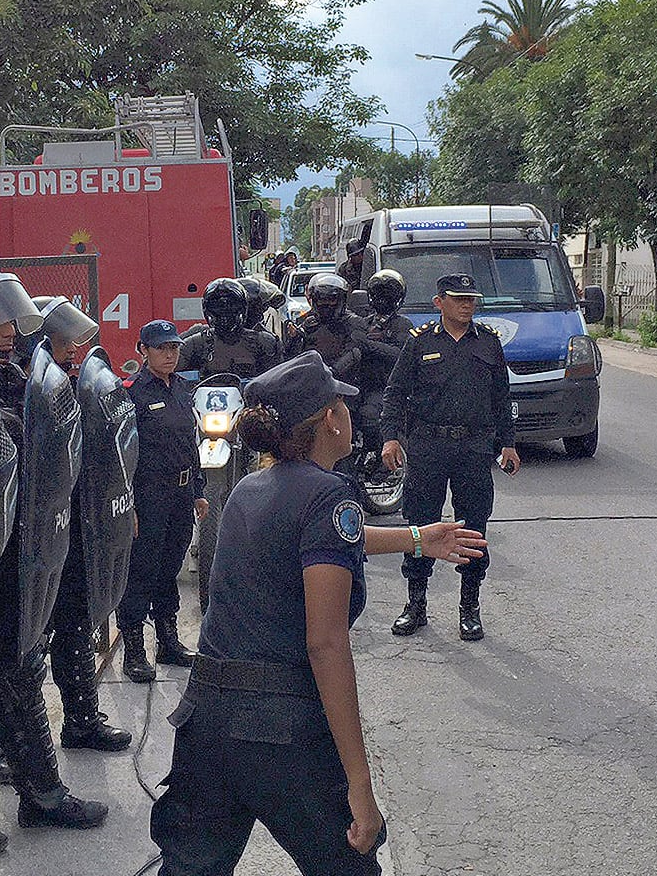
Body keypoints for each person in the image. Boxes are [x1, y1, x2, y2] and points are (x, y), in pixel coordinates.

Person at [148, 351, 485, 876]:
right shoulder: (329, 495)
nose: (349, 412)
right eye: (342, 404)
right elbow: (325, 645)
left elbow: (323, 540)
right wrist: (360, 785)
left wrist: (418, 538)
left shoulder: (249, 490)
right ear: (330, 419)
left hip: (206, 722)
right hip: (280, 731)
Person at [0, 270, 108, 858]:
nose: (11, 330)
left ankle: (42, 794)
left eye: (12, 320)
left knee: (22, 670)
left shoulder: (11, 377)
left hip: (15, 555)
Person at [0, 296, 131, 783]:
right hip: (23, 538)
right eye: (62, 341)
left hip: (67, 526)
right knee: (25, 647)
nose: (73, 349)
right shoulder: (10, 388)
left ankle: (82, 719)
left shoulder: (61, 386)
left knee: (73, 623)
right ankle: (7, 747)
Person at [379, 272, 518, 641]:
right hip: (428, 447)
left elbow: (501, 398)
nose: (467, 305)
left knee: (473, 529)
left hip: (473, 449)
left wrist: (508, 443)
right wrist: (390, 438)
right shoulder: (420, 342)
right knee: (420, 526)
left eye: (471, 299)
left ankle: (469, 608)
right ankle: (416, 604)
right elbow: (395, 393)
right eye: (459, 299)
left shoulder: (488, 342)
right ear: (439, 302)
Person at [179, 278, 284, 610]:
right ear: (208, 312)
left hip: (248, 420)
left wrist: (266, 388)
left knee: (275, 458)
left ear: (243, 311)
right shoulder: (197, 342)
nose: (225, 316)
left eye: (231, 309)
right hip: (210, 420)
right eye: (218, 310)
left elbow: (278, 375)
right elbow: (174, 368)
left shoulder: (262, 342)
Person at [118, 320, 209, 683]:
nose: (169, 355)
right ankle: (134, 648)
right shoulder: (132, 393)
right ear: (143, 351)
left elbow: (190, 444)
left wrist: (198, 491)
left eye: (173, 348)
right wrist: (129, 504)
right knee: (141, 570)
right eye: (161, 349)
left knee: (170, 568)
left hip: (180, 494)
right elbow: (123, 454)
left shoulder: (183, 388)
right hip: (148, 496)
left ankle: (168, 640)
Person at [354, 270, 412, 452]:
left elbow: (399, 355)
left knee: (370, 416)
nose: (382, 300)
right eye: (378, 294)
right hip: (360, 385)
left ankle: (378, 455)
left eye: (387, 295)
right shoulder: (364, 322)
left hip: (387, 387)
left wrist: (369, 344)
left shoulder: (402, 325)